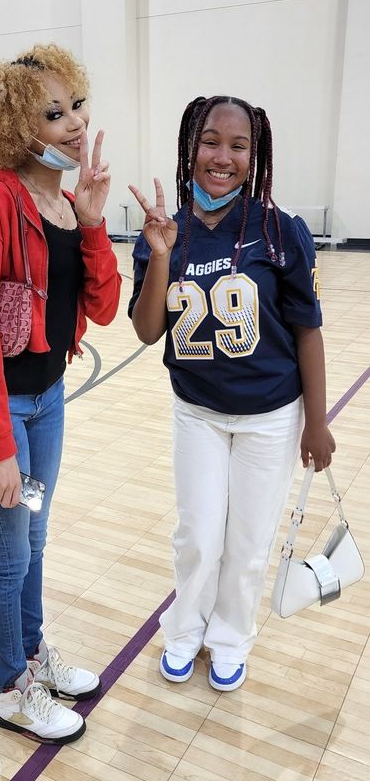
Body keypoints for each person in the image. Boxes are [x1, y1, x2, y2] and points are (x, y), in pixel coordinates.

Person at [0, 44, 121, 742]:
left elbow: (102, 309)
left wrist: (95, 222)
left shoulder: (69, 205)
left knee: (35, 538)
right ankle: (10, 687)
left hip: (46, 403)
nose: (74, 124)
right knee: (9, 554)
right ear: (17, 127)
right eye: (53, 115)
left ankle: (32, 651)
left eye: (76, 105)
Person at [128, 95, 335, 692]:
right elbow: (146, 331)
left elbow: (307, 330)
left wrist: (316, 422)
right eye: (211, 141)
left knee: (247, 544)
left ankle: (230, 638)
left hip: (270, 416)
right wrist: (161, 256)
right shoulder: (164, 231)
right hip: (197, 413)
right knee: (197, 535)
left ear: (254, 154)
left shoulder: (280, 230)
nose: (223, 156)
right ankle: (183, 630)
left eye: (238, 145)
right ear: (190, 147)